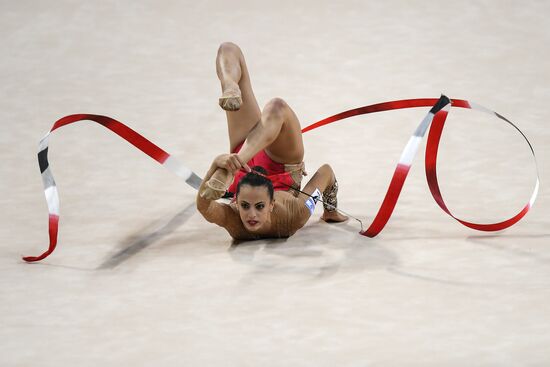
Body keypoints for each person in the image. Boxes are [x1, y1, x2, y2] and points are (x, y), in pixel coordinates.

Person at [196, 42, 347, 240]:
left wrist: (217, 165)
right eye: (245, 206)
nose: (250, 215)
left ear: (271, 204)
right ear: (237, 202)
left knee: (230, 50)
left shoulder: (235, 221)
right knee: (277, 108)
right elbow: (326, 173)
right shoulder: (297, 214)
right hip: (281, 166)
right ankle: (229, 85)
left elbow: (204, 206)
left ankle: (234, 163)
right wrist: (330, 210)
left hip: (241, 166)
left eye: (259, 207)